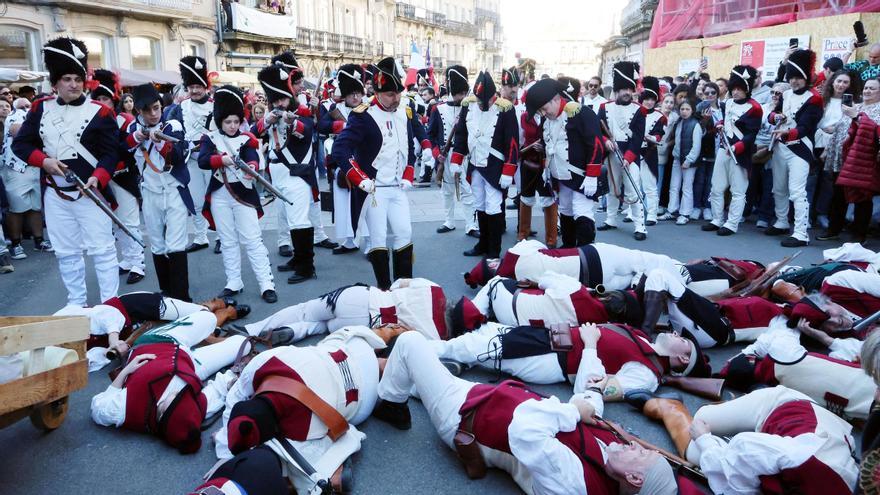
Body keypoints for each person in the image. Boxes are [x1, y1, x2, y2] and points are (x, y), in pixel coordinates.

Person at [370, 331, 681, 494]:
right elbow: (591, 396)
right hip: (488, 398)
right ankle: (402, 379)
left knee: (410, 343)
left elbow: (524, 429)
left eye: (641, 455)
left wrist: (575, 409)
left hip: (464, 418)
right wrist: (589, 352)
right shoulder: (612, 455)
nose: (633, 445)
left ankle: (391, 405)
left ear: (635, 478)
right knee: (422, 372)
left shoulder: (574, 485)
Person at [12, 37, 120, 307]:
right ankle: (77, 305)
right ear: (55, 83)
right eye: (67, 78)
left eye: (78, 78)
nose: (73, 84)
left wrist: (99, 177)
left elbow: (111, 154)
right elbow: (21, 144)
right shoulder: (40, 108)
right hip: (56, 194)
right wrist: (44, 162)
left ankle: (111, 306)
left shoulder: (101, 113)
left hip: (91, 193)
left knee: (103, 251)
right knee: (67, 253)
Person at [213, 326, 385, 467]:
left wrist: (226, 454)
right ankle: (390, 335)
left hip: (363, 401)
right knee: (322, 348)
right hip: (348, 349)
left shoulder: (300, 433)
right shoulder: (265, 360)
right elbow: (234, 399)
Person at [89, 311, 245, 453]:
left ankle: (208, 334)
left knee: (219, 326)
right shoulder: (193, 411)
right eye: (181, 397)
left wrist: (126, 371)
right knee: (239, 341)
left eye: (176, 398)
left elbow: (97, 407)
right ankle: (213, 336)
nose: (180, 393)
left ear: (161, 412)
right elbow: (220, 388)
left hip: (155, 344)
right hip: (183, 358)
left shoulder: (124, 410)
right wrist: (234, 378)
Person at [331, 57, 417, 290]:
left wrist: (409, 172)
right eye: (390, 94)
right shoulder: (363, 115)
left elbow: (408, 147)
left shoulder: (404, 111)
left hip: (398, 187)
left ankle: (403, 286)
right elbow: (341, 149)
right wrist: (360, 179)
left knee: (404, 232)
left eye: (397, 92)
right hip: (375, 190)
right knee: (378, 239)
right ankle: (385, 289)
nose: (396, 98)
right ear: (377, 92)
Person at [686, 385, 858, 493]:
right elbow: (745, 447)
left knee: (695, 451)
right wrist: (705, 440)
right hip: (783, 406)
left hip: (825, 436)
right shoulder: (804, 461)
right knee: (701, 421)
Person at [198, 85, 277, 303]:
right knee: (227, 240)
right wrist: (219, 160)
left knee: (253, 240)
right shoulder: (210, 139)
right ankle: (234, 281)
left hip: (243, 194)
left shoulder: (246, 139)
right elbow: (204, 160)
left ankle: (266, 283)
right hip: (219, 196)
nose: (232, 126)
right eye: (227, 122)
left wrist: (251, 167)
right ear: (220, 121)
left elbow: (252, 156)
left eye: (235, 121)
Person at [123, 83, 193, 301]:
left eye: (156, 108)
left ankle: (182, 298)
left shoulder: (172, 125)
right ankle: (167, 292)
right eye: (147, 110)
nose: (153, 114)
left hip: (174, 190)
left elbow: (178, 156)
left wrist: (161, 142)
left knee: (176, 243)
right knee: (157, 243)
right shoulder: (132, 129)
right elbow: (122, 148)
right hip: (150, 192)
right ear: (139, 112)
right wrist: (139, 137)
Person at [228, 277, 449, 343]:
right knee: (324, 327)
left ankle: (251, 330)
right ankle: (292, 333)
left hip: (362, 298)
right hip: (368, 327)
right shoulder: (437, 336)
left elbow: (398, 283)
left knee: (305, 310)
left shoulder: (434, 288)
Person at [254, 58, 318, 285]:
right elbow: (254, 133)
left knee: (299, 220)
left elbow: (306, 130)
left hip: (297, 174)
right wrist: (268, 119)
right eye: (276, 100)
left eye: (283, 99)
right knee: (287, 218)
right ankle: (297, 259)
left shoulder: (301, 113)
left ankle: (306, 266)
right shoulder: (270, 115)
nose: (280, 104)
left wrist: (291, 122)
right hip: (278, 175)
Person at [525, 77, 605, 247]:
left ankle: (586, 253)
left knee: (582, 213)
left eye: (544, 109)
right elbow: (549, 145)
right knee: (566, 212)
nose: (543, 114)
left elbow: (596, 145)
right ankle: (568, 249)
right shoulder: (546, 120)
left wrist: (592, 175)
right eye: (540, 111)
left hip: (581, 176)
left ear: (555, 99)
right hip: (560, 178)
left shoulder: (580, 113)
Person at [451, 70, 520, 258]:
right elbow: (462, 134)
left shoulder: (505, 109)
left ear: (493, 96)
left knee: (493, 206)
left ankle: (493, 250)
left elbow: (512, 142)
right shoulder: (468, 106)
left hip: (495, 166)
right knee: (479, 204)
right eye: (479, 100)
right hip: (475, 164)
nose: (482, 104)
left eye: (485, 101)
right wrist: (456, 159)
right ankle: (482, 243)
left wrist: (508, 170)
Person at [90, 69, 145, 284]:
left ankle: (138, 263)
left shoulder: (124, 121)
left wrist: (132, 140)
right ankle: (128, 258)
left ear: (114, 101)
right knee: (115, 222)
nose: (103, 103)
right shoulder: (90, 121)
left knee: (130, 222)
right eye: (99, 99)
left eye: (106, 99)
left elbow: (125, 147)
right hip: (101, 177)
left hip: (123, 176)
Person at [766, 48, 824, 247]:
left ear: (806, 77)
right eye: (791, 77)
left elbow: (807, 126)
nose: (794, 81)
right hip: (781, 147)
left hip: (800, 148)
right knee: (779, 188)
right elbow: (772, 115)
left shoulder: (814, 98)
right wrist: (776, 117)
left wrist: (787, 133)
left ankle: (801, 233)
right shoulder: (786, 94)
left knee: (797, 192)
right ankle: (782, 222)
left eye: (798, 77)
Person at [702, 65, 762, 236]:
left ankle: (732, 223)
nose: (735, 92)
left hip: (740, 153)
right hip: (723, 148)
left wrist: (737, 147)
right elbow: (720, 122)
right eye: (733, 88)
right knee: (717, 187)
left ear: (747, 89)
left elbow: (751, 134)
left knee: (738, 190)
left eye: (740, 89)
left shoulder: (755, 107)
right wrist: (718, 124)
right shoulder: (726, 103)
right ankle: (717, 219)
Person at [319, 63, 367, 255]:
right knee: (343, 203)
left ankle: (372, 243)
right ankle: (349, 240)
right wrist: (341, 126)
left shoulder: (369, 108)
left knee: (366, 205)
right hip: (342, 161)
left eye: (358, 93)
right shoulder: (332, 108)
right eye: (351, 93)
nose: (356, 97)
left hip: (364, 161)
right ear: (345, 94)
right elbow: (321, 126)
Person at [825, 77, 880, 244]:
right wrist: (828, 149)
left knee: (862, 197)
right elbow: (841, 128)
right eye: (866, 88)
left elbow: (875, 131)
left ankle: (859, 235)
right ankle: (834, 230)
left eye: (872, 88)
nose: (867, 91)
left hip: (863, 160)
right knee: (838, 195)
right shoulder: (856, 106)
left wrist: (857, 117)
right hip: (842, 157)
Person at [597, 61, 647, 240]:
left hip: (630, 155)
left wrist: (628, 158)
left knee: (634, 191)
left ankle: (640, 225)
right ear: (616, 91)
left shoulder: (640, 111)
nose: (627, 92)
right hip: (611, 153)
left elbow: (638, 138)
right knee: (613, 188)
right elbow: (598, 131)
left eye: (629, 88)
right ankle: (611, 219)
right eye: (623, 89)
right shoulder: (605, 108)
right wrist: (605, 141)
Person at [169, 56, 214, 253]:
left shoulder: (216, 105)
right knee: (195, 200)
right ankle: (200, 236)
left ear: (205, 86)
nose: (194, 90)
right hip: (191, 159)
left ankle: (221, 235)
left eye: (198, 86)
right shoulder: (180, 108)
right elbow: (171, 130)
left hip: (212, 159)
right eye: (191, 86)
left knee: (216, 199)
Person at [430, 65, 477, 238]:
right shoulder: (438, 109)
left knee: (468, 191)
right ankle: (449, 221)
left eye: (465, 93)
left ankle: (471, 225)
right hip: (446, 157)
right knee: (447, 191)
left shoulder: (471, 108)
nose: (463, 97)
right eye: (460, 93)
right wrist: (437, 154)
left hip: (465, 157)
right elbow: (430, 135)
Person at [2, 95, 47, 260]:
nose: (27, 107)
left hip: (34, 166)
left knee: (35, 207)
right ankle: (15, 244)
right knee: (16, 208)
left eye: (29, 105)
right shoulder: (15, 115)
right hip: (17, 168)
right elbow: (16, 130)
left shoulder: (37, 116)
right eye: (24, 105)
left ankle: (39, 240)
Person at [813, 69, 854, 232]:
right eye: (839, 81)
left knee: (828, 182)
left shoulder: (851, 103)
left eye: (845, 82)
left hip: (838, 146)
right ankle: (808, 215)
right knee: (811, 180)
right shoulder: (822, 99)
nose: (841, 85)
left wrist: (835, 129)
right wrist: (825, 128)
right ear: (833, 82)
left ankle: (823, 213)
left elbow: (849, 123)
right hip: (818, 142)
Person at [668, 99, 702, 225]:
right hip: (677, 158)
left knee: (686, 187)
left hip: (688, 161)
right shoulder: (679, 122)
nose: (684, 112)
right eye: (682, 109)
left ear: (692, 110)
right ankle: (672, 210)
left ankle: (685, 213)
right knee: (674, 186)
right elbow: (676, 141)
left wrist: (689, 160)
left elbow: (696, 146)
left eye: (687, 109)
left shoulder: (695, 124)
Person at [639, 76, 666, 225]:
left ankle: (652, 215)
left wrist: (652, 138)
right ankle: (633, 213)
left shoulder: (659, 116)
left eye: (652, 99)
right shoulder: (635, 112)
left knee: (649, 186)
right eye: (647, 99)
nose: (649, 102)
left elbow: (659, 134)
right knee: (634, 185)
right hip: (634, 153)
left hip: (649, 154)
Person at [693, 81, 721, 222]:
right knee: (700, 180)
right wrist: (705, 121)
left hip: (719, 150)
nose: (710, 95)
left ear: (717, 94)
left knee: (712, 181)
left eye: (713, 92)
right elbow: (697, 131)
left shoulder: (724, 108)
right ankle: (697, 207)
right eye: (707, 93)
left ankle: (708, 207)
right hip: (703, 150)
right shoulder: (699, 108)